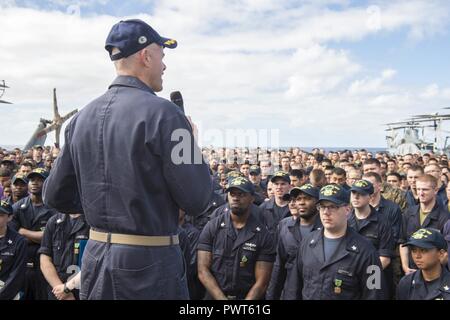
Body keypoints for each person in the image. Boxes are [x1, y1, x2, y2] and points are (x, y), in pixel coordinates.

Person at [42, 19, 212, 300]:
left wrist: (106, 212)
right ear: (146, 56)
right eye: (162, 56)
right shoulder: (167, 115)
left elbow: (56, 195)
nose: (165, 66)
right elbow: (199, 199)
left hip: (95, 259)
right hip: (151, 265)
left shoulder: (81, 118)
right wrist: (192, 143)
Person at [290, 184, 387, 300]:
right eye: (322, 207)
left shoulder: (366, 251)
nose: (326, 212)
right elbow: (293, 286)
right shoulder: (307, 243)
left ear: (347, 210)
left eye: (332, 207)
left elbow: (375, 294)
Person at [197, 177, 276, 300]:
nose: (235, 198)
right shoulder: (213, 227)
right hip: (214, 296)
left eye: (241, 194)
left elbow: (262, 282)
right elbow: (203, 270)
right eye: (232, 194)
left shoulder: (262, 234)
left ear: (252, 198)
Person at [266, 184, 322, 300]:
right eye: (298, 199)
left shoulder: (326, 229)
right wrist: (272, 296)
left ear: (317, 203)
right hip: (290, 292)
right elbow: (279, 265)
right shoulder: (285, 226)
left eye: (306, 199)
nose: (301, 203)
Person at [9, 168, 57, 300]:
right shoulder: (17, 207)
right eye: (31, 180)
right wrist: (38, 236)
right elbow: (14, 237)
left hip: (45, 264)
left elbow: (49, 238)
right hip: (21, 263)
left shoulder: (54, 209)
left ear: (47, 182)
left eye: (40, 180)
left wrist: (23, 231)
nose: (35, 183)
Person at [400, 174, 450, 274]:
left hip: (436, 274)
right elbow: (403, 242)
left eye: (425, 190)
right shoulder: (408, 213)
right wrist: (405, 266)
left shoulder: (445, 217)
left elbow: (446, 253)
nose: (421, 193)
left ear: (435, 190)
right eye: (418, 189)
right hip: (411, 271)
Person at [39, 212, 89, 300]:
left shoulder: (92, 223)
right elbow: (44, 260)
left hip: (83, 290)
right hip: (57, 291)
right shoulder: (53, 222)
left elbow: (94, 263)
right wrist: (63, 291)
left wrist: (66, 288)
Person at [397, 228, 450, 300]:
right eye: (414, 250)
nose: (417, 256)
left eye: (423, 250)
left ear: (441, 253)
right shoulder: (406, 283)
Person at [0, 200, 27, 300]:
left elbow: (17, 274)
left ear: (10, 217)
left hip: (8, 292)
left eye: (1, 215)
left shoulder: (19, 241)